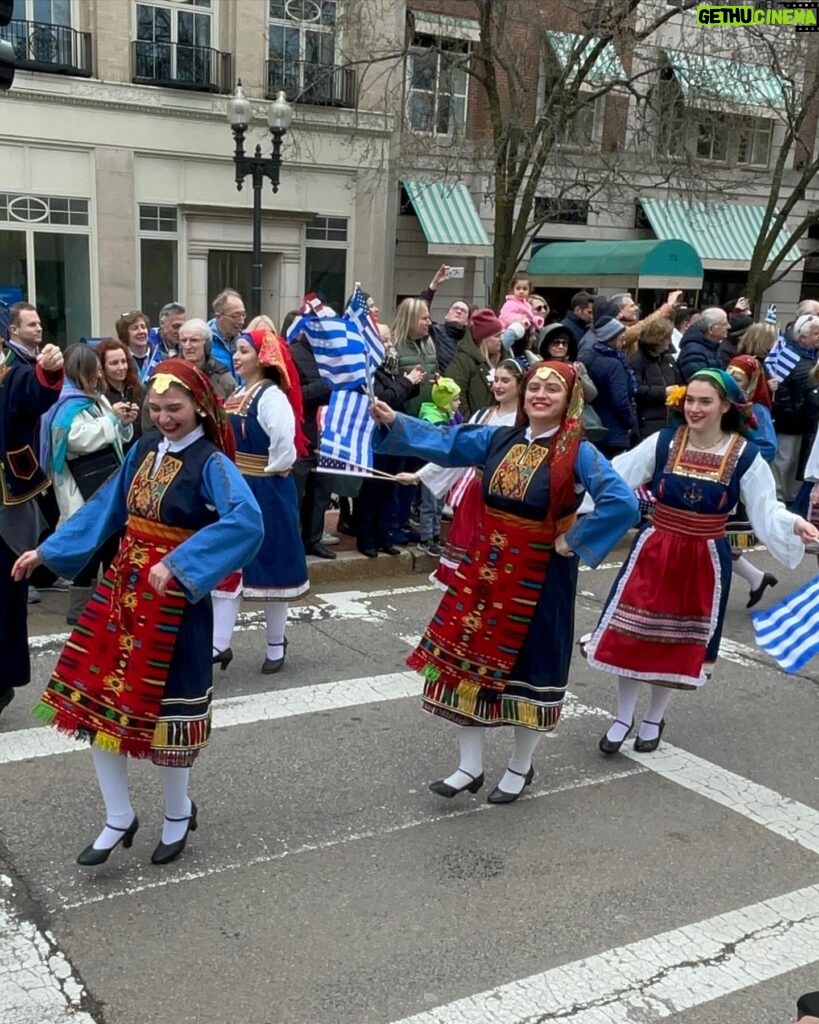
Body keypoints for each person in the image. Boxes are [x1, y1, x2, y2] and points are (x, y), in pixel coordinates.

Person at [13, 360, 264, 866]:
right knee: (96, 706)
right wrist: (50, 550)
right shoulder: (143, 449)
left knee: (170, 719)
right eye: (156, 407)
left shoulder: (212, 463)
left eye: (175, 408)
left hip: (173, 602)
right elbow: (107, 507)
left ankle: (177, 814)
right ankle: (118, 816)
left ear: (200, 407)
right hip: (125, 595)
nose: (164, 417)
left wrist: (181, 562)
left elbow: (247, 521)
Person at [371, 362, 638, 803]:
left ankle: (519, 766)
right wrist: (393, 420)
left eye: (552, 389)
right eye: (535, 387)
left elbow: (621, 501)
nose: (540, 395)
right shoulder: (497, 438)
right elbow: (446, 442)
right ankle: (468, 767)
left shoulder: (579, 453)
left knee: (529, 670)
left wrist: (575, 539)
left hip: (541, 575)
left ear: (569, 399)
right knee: (465, 663)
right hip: (487, 567)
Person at [586, 369, 817, 756]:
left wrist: (794, 523)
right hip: (654, 550)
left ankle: (652, 719)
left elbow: (766, 508)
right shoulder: (663, 442)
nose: (695, 408)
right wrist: (569, 483)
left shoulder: (744, 455)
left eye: (705, 401)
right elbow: (615, 477)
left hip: (704, 558)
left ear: (725, 406)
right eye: (689, 400)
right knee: (632, 636)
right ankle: (622, 717)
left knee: (677, 643)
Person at [211, 329, 309, 674]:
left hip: (266, 489)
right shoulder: (240, 392)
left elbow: (284, 439)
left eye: (243, 351)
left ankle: (275, 642)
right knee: (229, 564)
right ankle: (219, 643)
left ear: (261, 358)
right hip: (238, 486)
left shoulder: (270, 396)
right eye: (235, 351)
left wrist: (276, 468)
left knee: (272, 566)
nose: (236, 357)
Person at [403, 358, 523, 590]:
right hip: (476, 496)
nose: (498, 385)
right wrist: (418, 476)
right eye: (496, 380)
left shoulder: (525, 422)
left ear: (520, 384)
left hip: (507, 500)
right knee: (467, 565)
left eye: (505, 381)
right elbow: (456, 452)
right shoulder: (482, 416)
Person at [40, 344, 138, 624]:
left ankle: (109, 607)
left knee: (110, 546)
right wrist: (111, 419)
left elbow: (114, 436)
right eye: (94, 368)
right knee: (90, 549)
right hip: (82, 490)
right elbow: (75, 440)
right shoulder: (66, 401)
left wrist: (123, 422)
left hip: (103, 486)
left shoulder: (94, 397)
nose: (99, 373)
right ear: (80, 370)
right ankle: (80, 612)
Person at [0, 302, 64, 717]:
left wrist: (51, 372)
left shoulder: (12, 372)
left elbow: (35, 391)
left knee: (6, 598)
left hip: (7, 508)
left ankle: (1, 682)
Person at [725, 355, 778, 607]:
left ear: (752, 380)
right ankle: (758, 579)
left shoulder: (757, 410)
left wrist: (740, 440)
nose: (733, 382)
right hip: (718, 477)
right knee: (713, 543)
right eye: (729, 376)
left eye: (739, 378)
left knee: (720, 543)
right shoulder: (725, 403)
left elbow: (768, 448)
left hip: (739, 482)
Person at [771, 313, 819, 506]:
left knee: (799, 462)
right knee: (784, 461)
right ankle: (777, 497)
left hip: (808, 422)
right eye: (816, 334)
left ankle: (791, 497)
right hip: (790, 421)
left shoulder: (813, 358)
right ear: (802, 336)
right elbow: (781, 390)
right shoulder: (788, 357)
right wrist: (792, 413)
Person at [415, 377, 462, 557]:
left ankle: (435, 534)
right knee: (429, 504)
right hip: (431, 466)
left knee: (439, 504)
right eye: (455, 400)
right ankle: (426, 538)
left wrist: (454, 414)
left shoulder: (448, 416)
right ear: (445, 402)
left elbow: (460, 423)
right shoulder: (434, 419)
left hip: (444, 467)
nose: (459, 402)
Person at [584, 315, 637, 459]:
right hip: (614, 432)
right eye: (621, 339)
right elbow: (620, 401)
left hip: (594, 427)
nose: (623, 342)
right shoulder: (614, 365)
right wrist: (631, 421)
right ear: (611, 339)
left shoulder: (587, 357)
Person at [444, 307, 503, 419]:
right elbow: (457, 398)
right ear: (483, 339)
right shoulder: (463, 361)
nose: (501, 339)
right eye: (497, 336)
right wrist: (469, 425)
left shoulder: (499, 360)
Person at [629, 318, 681, 440]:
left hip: (670, 420)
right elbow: (635, 389)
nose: (670, 342)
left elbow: (679, 381)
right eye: (667, 338)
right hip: (647, 423)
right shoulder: (637, 362)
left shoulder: (669, 360)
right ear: (657, 338)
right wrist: (663, 392)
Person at [97, 338, 145, 447]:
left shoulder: (140, 390)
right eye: (114, 363)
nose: (121, 367)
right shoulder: (99, 397)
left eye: (124, 361)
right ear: (102, 367)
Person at [422, 265, 471, 371]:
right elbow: (421, 310)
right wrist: (433, 285)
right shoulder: (435, 332)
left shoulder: (470, 340)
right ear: (446, 315)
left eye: (463, 311)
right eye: (455, 308)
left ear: (467, 321)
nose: (458, 311)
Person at [178, 318, 236, 401]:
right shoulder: (169, 372)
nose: (187, 346)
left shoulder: (222, 376)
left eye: (194, 340)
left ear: (207, 344)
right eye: (184, 340)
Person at [676, 307, 729, 382]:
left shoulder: (712, 346)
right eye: (724, 324)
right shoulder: (693, 352)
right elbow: (700, 383)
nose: (729, 327)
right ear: (711, 329)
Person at [208, 289, 247, 376]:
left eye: (243, 315)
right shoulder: (204, 341)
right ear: (218, 316)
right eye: (235, 315)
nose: (241, 322)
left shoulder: (245, 341)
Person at [115, 310, 154, 384]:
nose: (141, 331)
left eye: (143, 327)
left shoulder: (162, 358)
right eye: (135, 328)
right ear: (125, 334)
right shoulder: (120, 359)